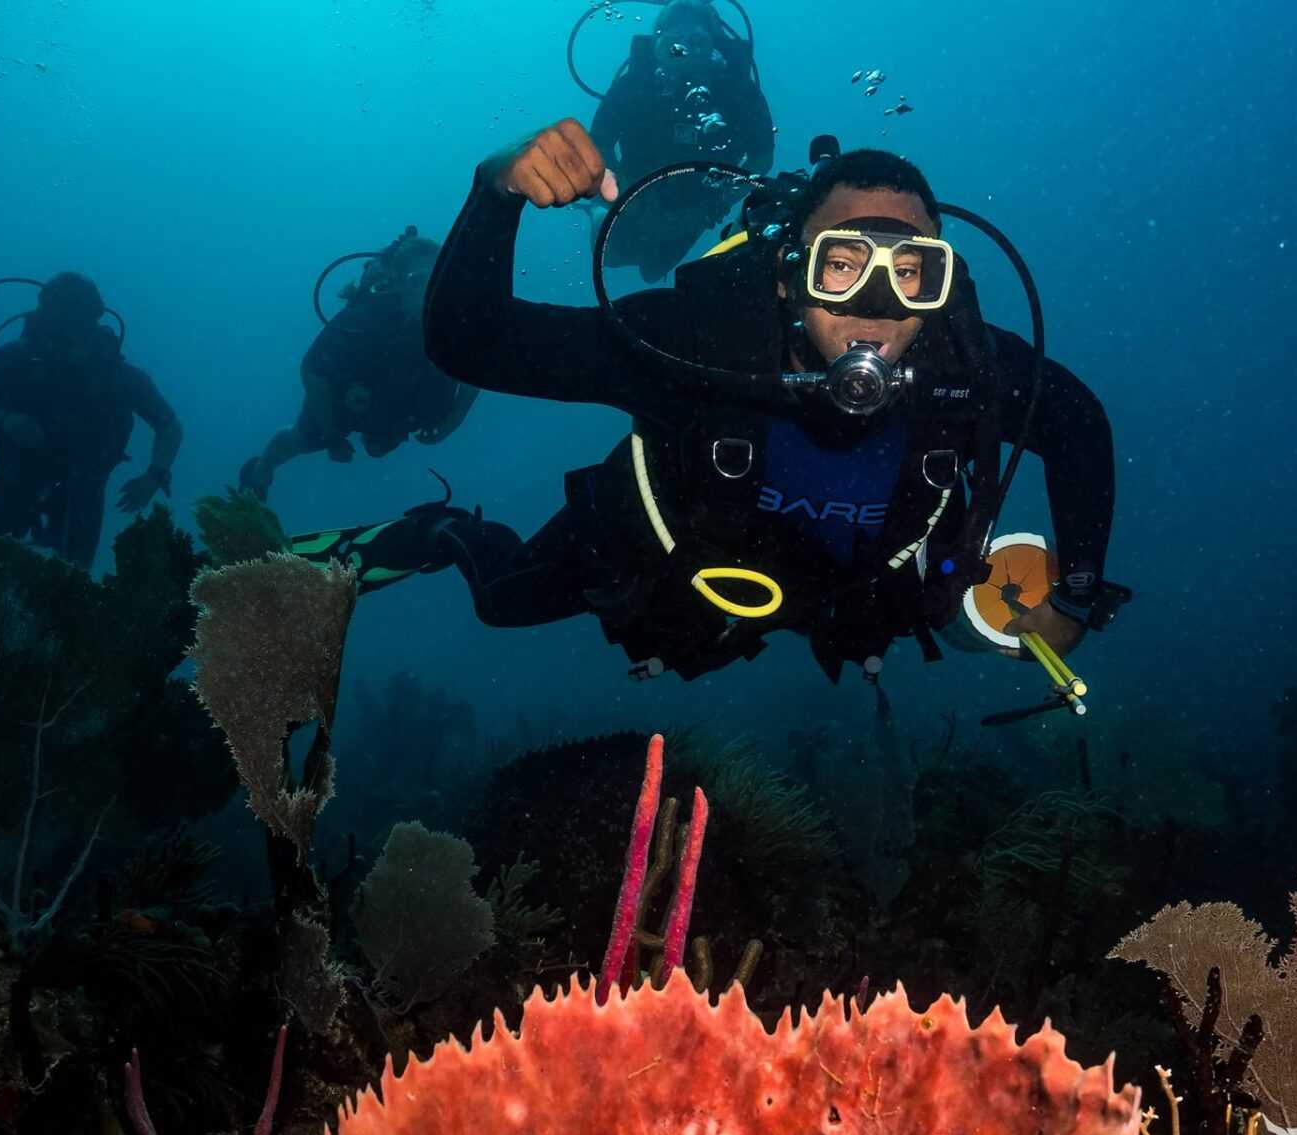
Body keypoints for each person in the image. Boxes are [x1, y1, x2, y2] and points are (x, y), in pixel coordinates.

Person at [317, 120, 1117, 687]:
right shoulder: (695, 347)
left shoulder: (964, 368)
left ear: (941, 287)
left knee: (966, 616)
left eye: (910, 271)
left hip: (852, 592)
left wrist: (1077, 589)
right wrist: (495, 189)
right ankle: (436, 529)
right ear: (786, 275)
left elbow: (1077, 422)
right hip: (674, 556)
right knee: (502, 602)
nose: (876, 302)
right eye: (842, 264)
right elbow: (471, 345)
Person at [237, 227, 476, 502]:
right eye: (417, 281)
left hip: (409, 400)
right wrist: (331, 435)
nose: (427, 293)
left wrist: (452, 423)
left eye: (434, 281)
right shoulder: (364, 320)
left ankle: (385, 428)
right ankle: (261, 468)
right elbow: (313, 373)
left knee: (392, 433)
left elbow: (476, 373)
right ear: (397, 284)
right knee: (302, 438)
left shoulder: (456, 321)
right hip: (344, 397)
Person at [0, 272, 184, 571]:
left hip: (84, 489)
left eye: (77, 328)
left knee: (73, 581)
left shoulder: (117, 378)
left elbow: (169, 426)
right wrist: (4, 420)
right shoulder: (15, 361)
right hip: (14, 479)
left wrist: (155, 476)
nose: (67, 341)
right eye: (57, 326)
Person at [587, 0, 774, 281]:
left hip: (697, 201)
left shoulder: (738, 92)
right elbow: (597, 146)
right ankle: (596, 212)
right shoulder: (634, 86)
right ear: (656, 46)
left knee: (653, 271)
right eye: (672, 44)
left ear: (714, 46)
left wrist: (712, 206)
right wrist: (630, 202)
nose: (683, 54)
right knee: (610, 256)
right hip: (634, 191)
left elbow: (761, 158)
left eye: (697, 42)